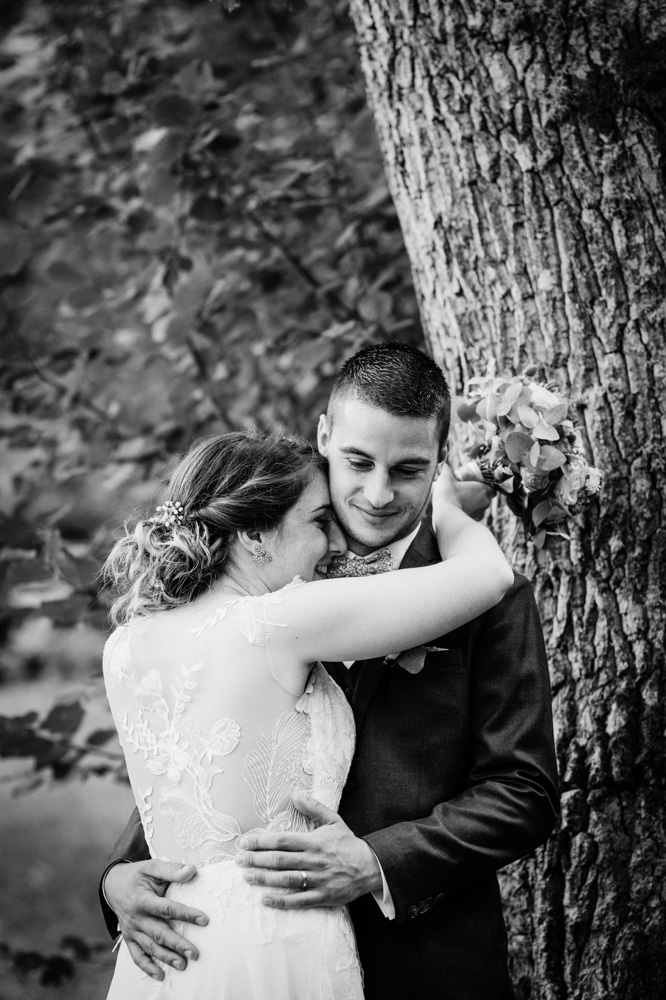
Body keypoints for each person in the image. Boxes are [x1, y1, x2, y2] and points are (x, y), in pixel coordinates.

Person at [100, 343, 559, 999]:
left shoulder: (487, 599)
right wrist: (118, 875)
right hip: (257, 956)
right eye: (357, 462)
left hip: (421, 962)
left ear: (439, 463)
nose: (377, 494)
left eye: (408, 469)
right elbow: (197, 748)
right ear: (323, 436)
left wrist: (377, 862)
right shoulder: (264, 577)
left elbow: (524, 792)